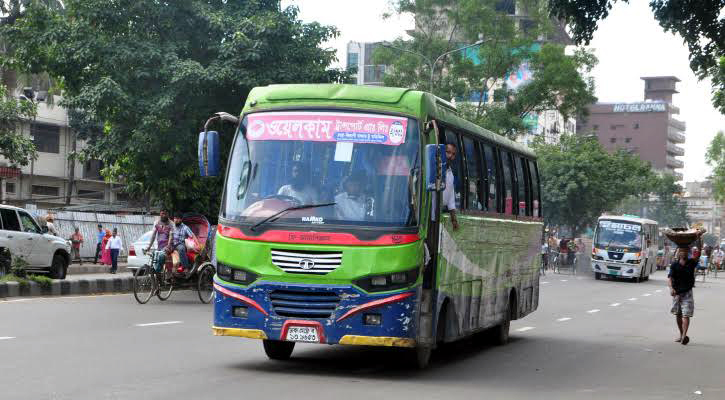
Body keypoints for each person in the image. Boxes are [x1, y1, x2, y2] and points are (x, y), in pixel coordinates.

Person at [668, 247, 699, 345]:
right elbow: (670, 278)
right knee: (678, 314)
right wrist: (671, 288)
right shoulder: (674, 265)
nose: (683, 253)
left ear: (688, 253)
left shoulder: (691, 263)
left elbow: (698, 253)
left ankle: (684, 336)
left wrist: (698, 238)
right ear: (678, 253)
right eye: (681, 251)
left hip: (687, 293)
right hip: (677, 293)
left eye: (685, 251)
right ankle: (681, 334)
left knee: (686, 315)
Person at [442, 143, 459, 230]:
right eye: (448, 152)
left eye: (453, 154)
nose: (450, 156)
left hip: (439, 216)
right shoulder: (435, 170)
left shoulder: (450, 174)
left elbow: (451, 201)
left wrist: (454, 220)